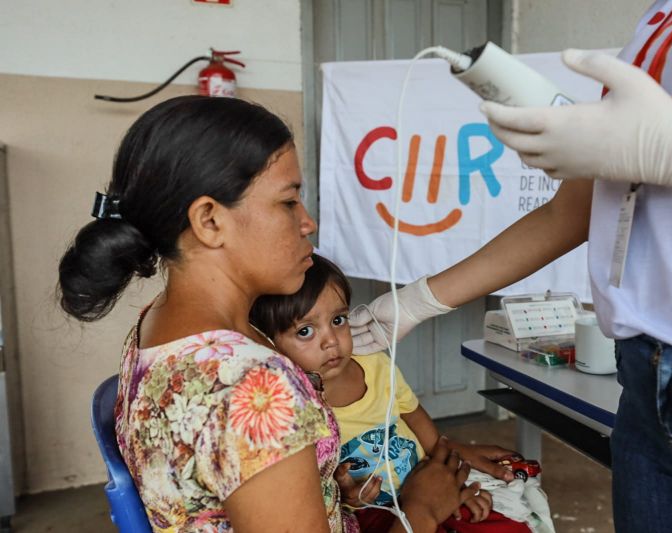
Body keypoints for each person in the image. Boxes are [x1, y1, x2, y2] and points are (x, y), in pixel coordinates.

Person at [349, 2, 672, 532]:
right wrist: (420, 299)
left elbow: (670, 155)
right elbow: (574, 208)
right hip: (647, 384)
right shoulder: (669, 15)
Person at [58, 95, 474, 533]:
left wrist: (322, 489)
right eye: (288, 202)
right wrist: (422, 510)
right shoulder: (255, 388)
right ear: (210, 221)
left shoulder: (158, 325)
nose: (308, 222)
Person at [250, 253, 543, 533]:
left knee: (506, 526)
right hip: (374, 512)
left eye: (338, 320)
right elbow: (319, 493)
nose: (331, 341)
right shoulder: (292, 407)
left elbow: (413, 415)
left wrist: (446, 467)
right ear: (268, 344)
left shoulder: (375, 363)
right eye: (305, 331)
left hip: (425, 478)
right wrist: (347, 499)